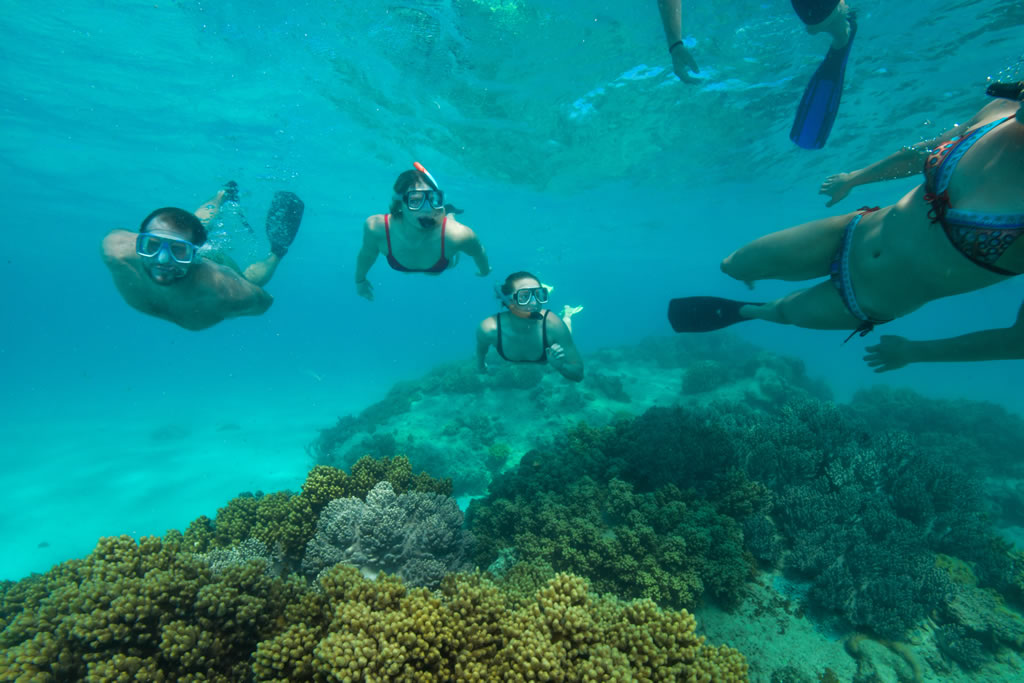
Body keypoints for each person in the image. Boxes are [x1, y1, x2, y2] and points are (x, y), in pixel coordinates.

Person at [668, 82, 1024, 372]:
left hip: (867, 298)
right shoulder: (998, 112)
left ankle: (750, 311)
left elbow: (1019, 341)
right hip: (853, 230)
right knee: (733, 264)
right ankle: (751, 279)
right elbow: (922, 153)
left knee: (783, 312)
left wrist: (916, 352)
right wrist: (855, 178)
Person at [101, 183, 303, 330]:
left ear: (194, 254)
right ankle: (222, 194)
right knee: (182, 229)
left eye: (179, 252)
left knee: (249, 279)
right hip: (185, 246)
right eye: (152, 246)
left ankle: (277, 252)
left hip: (216, 267)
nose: (161, 259)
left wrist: (239, 300)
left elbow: (264, 302)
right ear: (139, 243)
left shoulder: (227, 290)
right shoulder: (117, 252)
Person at [354, 163, 490, 301]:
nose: (427, 209)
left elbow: (478, 251)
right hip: (409, 266)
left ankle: (449, 213)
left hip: (440, 265)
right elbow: (367, 255)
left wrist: (484, 270)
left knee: (448, 225)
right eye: (415, 201)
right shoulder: (377, 228)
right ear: (399, 205)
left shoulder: (457, 235)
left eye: (432, 199)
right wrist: (360, 281)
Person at [476, 272, 584, 382]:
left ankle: (567, 315)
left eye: (539, 294)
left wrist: (561, 367)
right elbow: (481, 351)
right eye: (524, 296)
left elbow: (579, 375)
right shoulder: (489, 329)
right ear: (509, 300)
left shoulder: (553, 325)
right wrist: (481, 366)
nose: (534, 303)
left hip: (552, 334)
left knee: (566, 329)